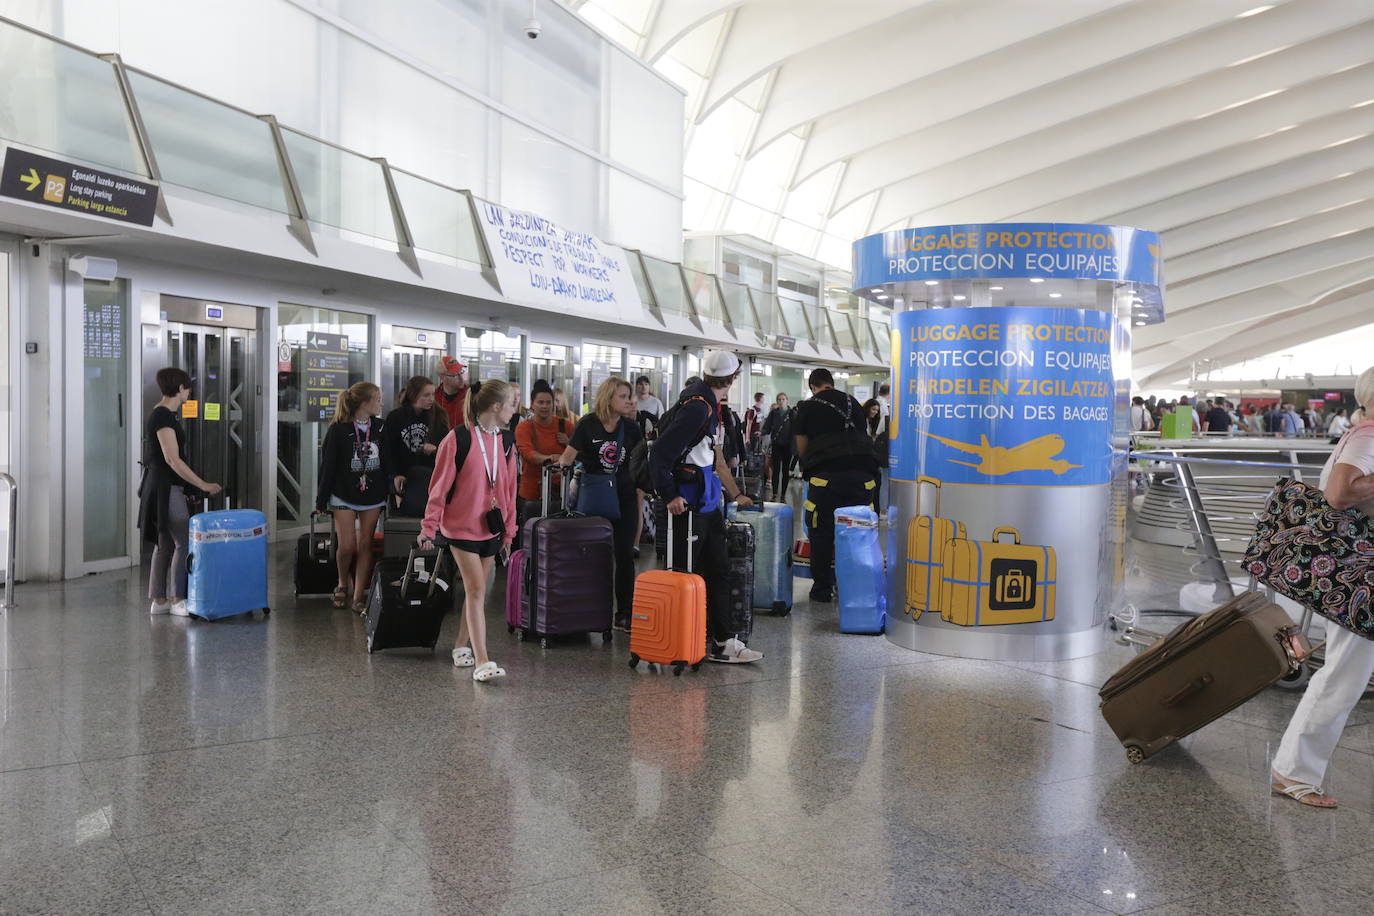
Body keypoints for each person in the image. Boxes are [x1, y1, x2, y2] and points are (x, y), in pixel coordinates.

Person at [1271, 367, 1374, 808]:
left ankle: (1294, 769)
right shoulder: (1367, 436)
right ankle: (1293, 771)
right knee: (1345, 672)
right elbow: (1339, 493)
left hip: (1358, 570)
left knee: (1347, 669)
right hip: (1359, 574)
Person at [649, 350, 762, 663]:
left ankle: (722, 642)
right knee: (685, 574)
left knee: (719, 571)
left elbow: (713, 457)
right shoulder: (697, 408)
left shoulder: (708, 404)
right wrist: (670, 495)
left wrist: (734, 494)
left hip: (707, 502)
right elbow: (659, 453)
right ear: (733, 378)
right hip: (689, 505)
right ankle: (677, 642)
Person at [418, 379, 519, 683]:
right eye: (512, 404)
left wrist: (509, 531)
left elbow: (509, 489)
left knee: (478, 592)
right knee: (475, 589)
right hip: (461, 528)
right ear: (496, 406)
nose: (515, 410)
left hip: (491, 528)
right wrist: (429, 527)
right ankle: (482, 661)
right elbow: (439, 487)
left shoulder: (506, 441)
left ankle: (461, 646)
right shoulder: (458, 438)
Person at [559, 377, 643, 632]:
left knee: (625, 555)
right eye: (623, 396)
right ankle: (589, 609)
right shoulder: (587, 425)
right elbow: (567, 458)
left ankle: (624, 613)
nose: (628, 401)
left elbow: (639, 464)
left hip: (624, 496)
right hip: (595, 496)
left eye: (629, 396)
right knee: (592, 556)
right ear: (608, 398)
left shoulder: (632, 428)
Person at [139, 367, 222, 617]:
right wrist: (202, 484)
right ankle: (177, 599)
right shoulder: (163, 416)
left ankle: (159, 601)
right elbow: (172, 459)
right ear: (180, 389)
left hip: (162, 486)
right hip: (165, 488)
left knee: (164, 542)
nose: (189, 393)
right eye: (187, 388)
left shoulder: (165, 415)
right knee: (183, 541)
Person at [793, 368, 880, 603]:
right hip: (864, 475)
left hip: (827, 478)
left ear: (813, 387)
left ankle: (822, 589)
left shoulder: (808, 407)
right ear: (831, 383)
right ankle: (853, 585)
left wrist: (809, 467)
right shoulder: (853, 403)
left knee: (821, 531)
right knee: (857, 530)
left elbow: (802, 447)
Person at [315, 382, 389, 614]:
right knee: (347, 546)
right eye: (377, 399)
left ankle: (359, 595)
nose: (381, 404)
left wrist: (391, 489)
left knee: (366, 544)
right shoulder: (338, 430)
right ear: (364, 404)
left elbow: (388, 461)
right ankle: (342, 583)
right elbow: (328, 467)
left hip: (373, 494)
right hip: (343, 493)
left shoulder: (381, 427)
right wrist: (321, 500)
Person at [385, 376, 449, 517]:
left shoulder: (439, 416)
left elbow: (446, 447)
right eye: (426, 395)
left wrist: (435, 449)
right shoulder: (396, 417)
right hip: (403, 474)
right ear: (413, 395)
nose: (431, 399)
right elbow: (389, 451)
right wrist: (394, 475)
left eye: (433, 394)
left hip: (429, 475)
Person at [515, 380, 574, 524]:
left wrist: (569, 443)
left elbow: (580, 450)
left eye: (548, 402)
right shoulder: (524, 427)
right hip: (532, 494)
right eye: (540, 402)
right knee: (531, 533)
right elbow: (528, 453)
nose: (545, 406)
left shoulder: (566, 426)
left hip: (562, 493)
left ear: (554, 404)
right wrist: (551, 458)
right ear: (532, 404)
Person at [762, 393, 794, 502]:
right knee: (776, 469)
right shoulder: (773, 413)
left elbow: (796, 429)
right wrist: (762, 432)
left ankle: (783, 494)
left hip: (788, 445)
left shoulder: (792, 413)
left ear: (787, 400)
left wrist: (795, 446)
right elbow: (767, 426)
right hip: (776, 444)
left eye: (783, 399)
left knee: (785, 470)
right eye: (779, 399)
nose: (781, 401)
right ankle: (775, 494)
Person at [863, 397, 890, 512]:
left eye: (877, 410)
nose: (875, 412)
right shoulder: (863, 420)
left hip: (872, 455)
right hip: (866, 455)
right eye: (873, 409)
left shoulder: (874, 422)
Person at [434, 357, 469, 431]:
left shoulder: (470, 395)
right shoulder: (434, 397)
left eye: (461, 372)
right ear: (442, 377)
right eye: (455, 374)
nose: (461, 378)